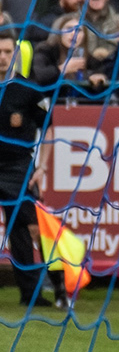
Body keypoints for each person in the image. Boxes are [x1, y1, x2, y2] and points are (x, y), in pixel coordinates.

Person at [0, 27, 59, 307]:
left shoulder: (28, 90)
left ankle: (53, 288)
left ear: (16, 56)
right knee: (21, 230)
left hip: (17, 168)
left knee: (31, 228)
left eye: (7, 52)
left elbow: (48, 128)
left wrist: (43, 167)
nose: (2, 57)